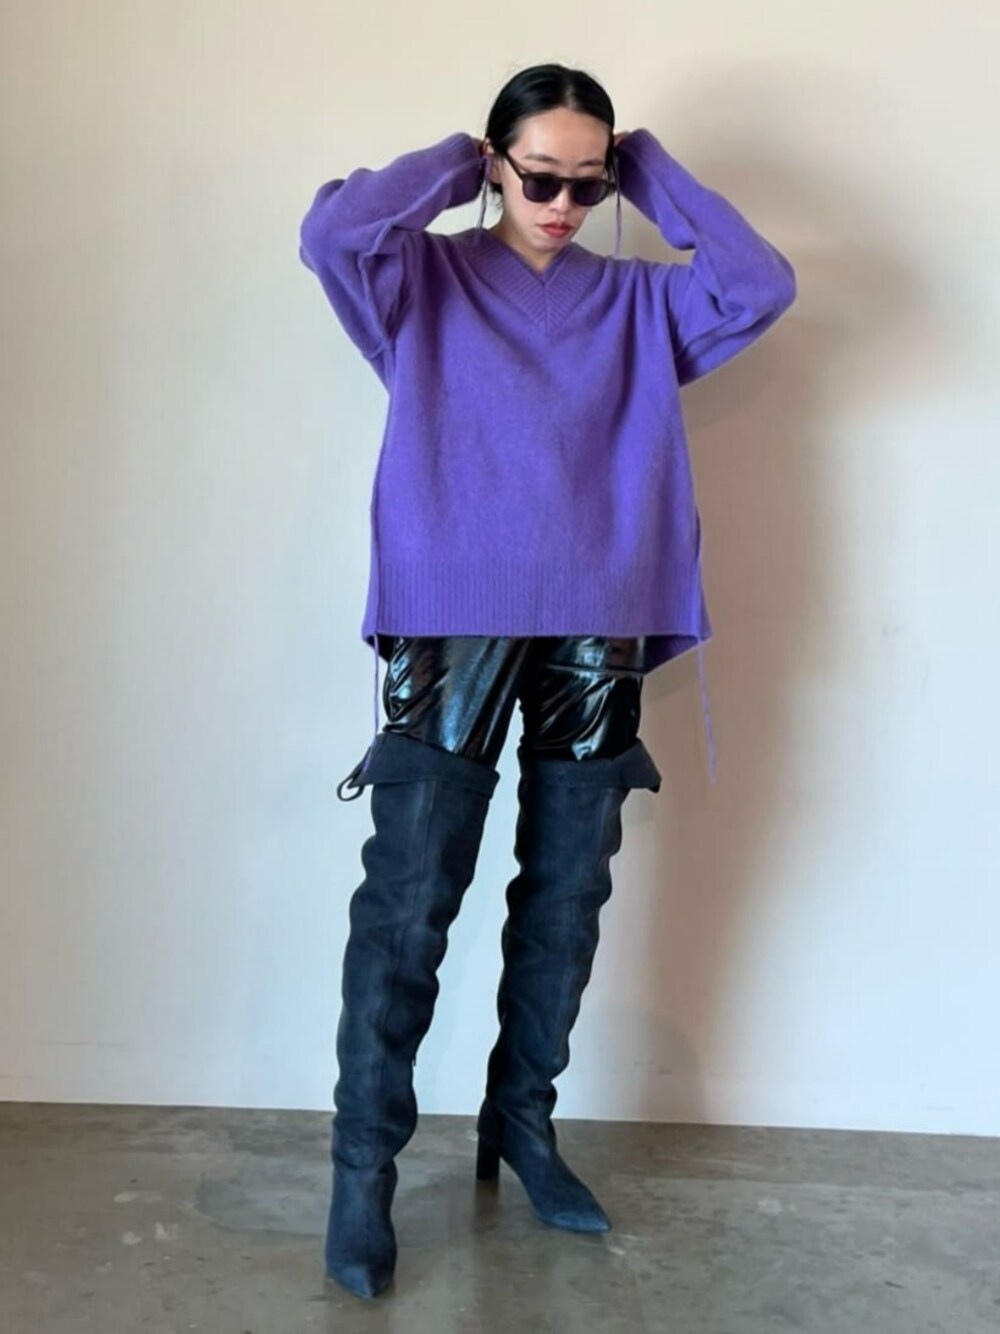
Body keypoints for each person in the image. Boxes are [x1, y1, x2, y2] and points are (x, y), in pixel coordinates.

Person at [298, 62, 796, 1300]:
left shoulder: (640, 301)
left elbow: (759, 284)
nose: (565, 205)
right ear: (495, 163)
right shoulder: (417, 281)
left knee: (568, 891)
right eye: (539, 178)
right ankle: (363, 1169)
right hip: (450, 612)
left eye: (589, 182)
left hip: (599, 614)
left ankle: (521, 1123)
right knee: (411, 895)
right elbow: (332, 232)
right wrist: (453, 165)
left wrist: (651, 169)